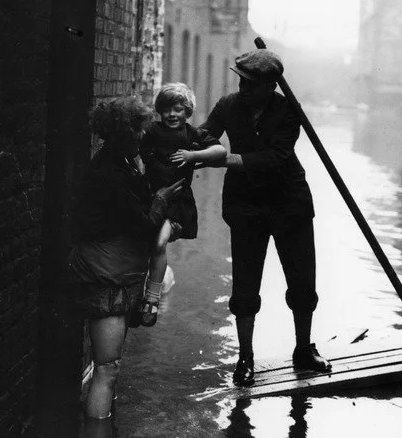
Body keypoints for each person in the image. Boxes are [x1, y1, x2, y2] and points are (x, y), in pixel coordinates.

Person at [200, 49, 332, 387]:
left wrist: (225, 160)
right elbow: (205, 132)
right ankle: (246, 358)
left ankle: (303, 349)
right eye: (241, 80)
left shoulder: (289, 111)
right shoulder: (229, 104)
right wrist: (209, 145)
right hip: (246, 206)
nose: (242, 88)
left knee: (302, 283)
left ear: (270, 86)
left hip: (290, 204)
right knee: (245, 286)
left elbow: (276, 158)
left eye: (250, 83)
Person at [68, 96, 184, 419]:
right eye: (137, 130)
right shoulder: (110, 174)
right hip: (106, 280)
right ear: (122, 135)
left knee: (109, 368)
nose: (143, 135)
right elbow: (145, 225)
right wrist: (160, 199)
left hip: (117, 276)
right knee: (107, 370)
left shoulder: (122, 164)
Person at [138, 83, 226, 327]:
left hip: (177, 203)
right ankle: (146, 291)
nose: (172, 115)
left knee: (159, 241)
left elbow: (220, 151)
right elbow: (136, 148)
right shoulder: (152, 131)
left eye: (178, 109)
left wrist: (193, 155)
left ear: (187, 112)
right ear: (159, 111)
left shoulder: (191, 134)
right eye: (167, 109)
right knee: (149, 243)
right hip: (152, 196)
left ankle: (152, 299)